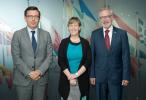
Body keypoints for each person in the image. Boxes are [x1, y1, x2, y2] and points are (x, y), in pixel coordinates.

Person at [11, 6, 53, 100]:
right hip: (23, 80)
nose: (33, 19)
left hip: (40, 80)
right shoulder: (17, 34)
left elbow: (50, 56)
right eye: (30, 16)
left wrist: (39, 71)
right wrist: (29, 73)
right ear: (25, 18)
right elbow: (16, 58)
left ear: (39, 18)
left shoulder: (46, 35)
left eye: (36, 16)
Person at [90, 8, 131, 100]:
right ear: (100, 19)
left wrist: (126, 76)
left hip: (117, 77)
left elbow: (125, 56)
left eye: (107, 16)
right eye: (102, 17)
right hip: (99, 76)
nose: (105, 20)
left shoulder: (122, 34)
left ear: (112, 17)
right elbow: (92, 56)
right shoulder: (94, 34)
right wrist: (92, 74)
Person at [58, 17, 91, 100]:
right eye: (71, 25)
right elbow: (61, 61)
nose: (73, 28)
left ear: (79, 27)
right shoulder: (64, 42)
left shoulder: (85, 43)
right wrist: (70, 76)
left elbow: (88, 61)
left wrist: (76, 75)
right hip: (66, 80)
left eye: (75, 25)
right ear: (68, 27)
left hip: (82, 80)